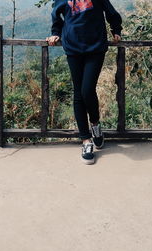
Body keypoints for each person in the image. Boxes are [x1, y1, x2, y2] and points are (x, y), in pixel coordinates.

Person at [46, 0, 123, 165]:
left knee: (87, 90)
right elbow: (56, 15)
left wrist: (116, 30)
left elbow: (111, 13)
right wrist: (55, 32)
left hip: (95, 48)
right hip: (73, 48)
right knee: (78, 94)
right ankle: (86, 141)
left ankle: (95, 124)